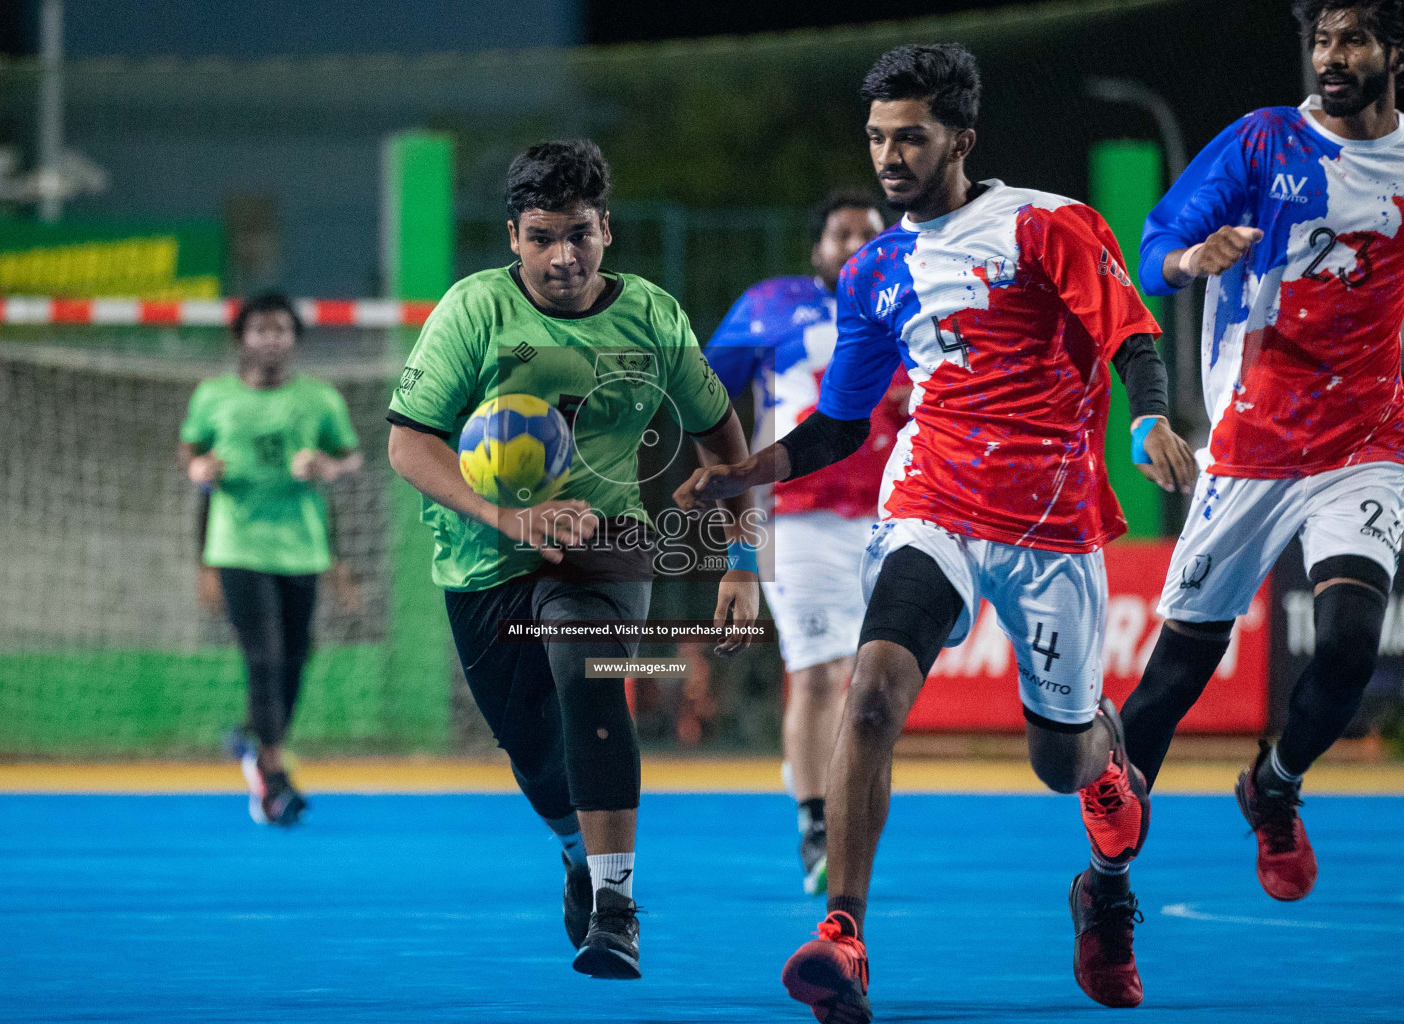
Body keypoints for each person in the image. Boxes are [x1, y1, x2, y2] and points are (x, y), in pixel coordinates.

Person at [675, 44, 1197, 1020]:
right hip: (933, 497)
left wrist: (1148, 418)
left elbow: (1130, 334)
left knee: (1062, 759)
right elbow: (840, 422)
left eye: (909, 136)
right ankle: (843, 934)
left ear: (961, 136)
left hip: (1050, 519)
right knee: (868, 692)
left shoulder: (1048, 225)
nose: (888, 157)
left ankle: (1104, 826)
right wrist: (743, 473)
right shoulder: (874, 269)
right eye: (876, 138)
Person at [386, 139, 759, 980]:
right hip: (484, 558)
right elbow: (410, 445)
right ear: (514, 236)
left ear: (607, 232)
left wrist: (742, 559)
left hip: (610, 539)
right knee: (530, 749)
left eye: (580, 235)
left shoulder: (654, 317)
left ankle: (618, 908)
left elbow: (722, 433)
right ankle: (573, 848)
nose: (564, 256)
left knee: (585, 669)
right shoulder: (472, 312)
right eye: (544, 236)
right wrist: (507, 517)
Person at [1123, 0, 1404, 905]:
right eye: (1321, 39)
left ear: (1394, 53)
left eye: (1353, 38)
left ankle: (1274, 786)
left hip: (1369, 444)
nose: (1331, 55)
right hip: (1251, 444)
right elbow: (1153, 243)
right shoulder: (1263, 143)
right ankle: (1105, 881)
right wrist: (1195, 259)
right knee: (1169, 685)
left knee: (1353, 642)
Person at [704, 189, 912, 896]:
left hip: (899, 516)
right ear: (815, 246)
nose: (856, 243)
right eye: (841, 232)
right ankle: (816, 824)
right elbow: (705, 398)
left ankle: (845, 812)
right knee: (820, 673)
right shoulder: (770, 305)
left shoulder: (912, 303)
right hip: (800, 515)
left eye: (869, 232)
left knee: (873, 686)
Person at [179, 291, 364, 826]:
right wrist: (198, 471)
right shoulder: (213, 396)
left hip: (302, 548)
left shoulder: (321, 399)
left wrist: (329, 467)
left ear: (295, 339)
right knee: (264, 652)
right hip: (236, 545)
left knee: (296, 655)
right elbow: (190, 452)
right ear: (241, 338)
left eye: (281, 329)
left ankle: (255, 741)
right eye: (260, 329)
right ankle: (274, 772)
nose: (271, 338)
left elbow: (351, 456)